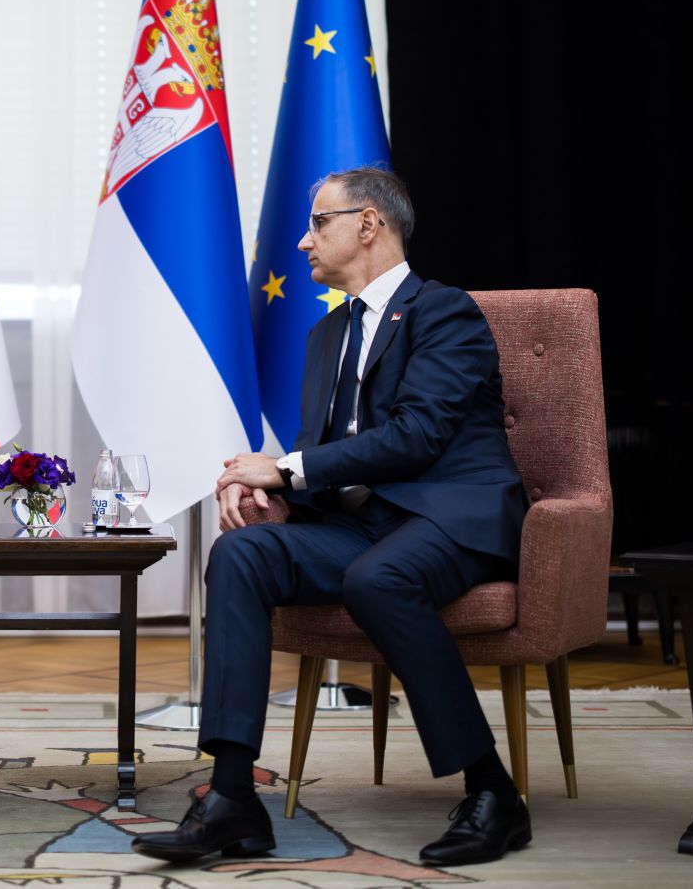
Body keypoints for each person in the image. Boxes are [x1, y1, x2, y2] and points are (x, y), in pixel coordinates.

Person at [131, 166, 530, 867]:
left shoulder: (446, 312)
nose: (303, 240)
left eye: (319, 223)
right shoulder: (326, 336)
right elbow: (331, 460)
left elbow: (417, 436)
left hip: (450, 519)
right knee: (241, 553)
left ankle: (493, 791)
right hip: (366, 525)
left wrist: (283, 467)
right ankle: (232, 799)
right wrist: (273, 494)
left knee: (379, 579)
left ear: (369, 223)